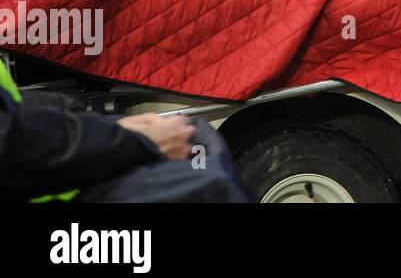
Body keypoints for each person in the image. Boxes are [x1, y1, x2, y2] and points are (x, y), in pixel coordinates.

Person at [0, 59, 250, 203]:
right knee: (209, 184)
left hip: (52, 166)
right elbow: (17, 142)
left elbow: (17, 110)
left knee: (195, 139)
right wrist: (141, 141)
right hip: (48, 183)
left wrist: (108, 126)